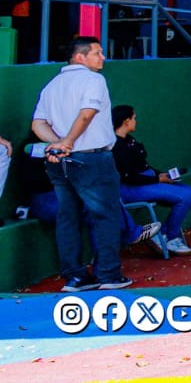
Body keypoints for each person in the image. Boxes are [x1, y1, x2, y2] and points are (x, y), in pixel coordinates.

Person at [30, 36, 131, 291]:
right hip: (91, 157)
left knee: (68, 216)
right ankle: (108, 274)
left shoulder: (52, 85)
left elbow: (38, 123)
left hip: (61, 159)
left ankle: (75, 277)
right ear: (80, 57)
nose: (103, 57)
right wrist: (67, 141)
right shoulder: (94, 80)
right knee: (105, 214)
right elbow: (87, 114)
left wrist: (58, 144)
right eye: (97, 53)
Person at [112, 104, 191, 258]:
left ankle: (163, 235)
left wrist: (162, 175)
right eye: (134, 118)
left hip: (147, 182)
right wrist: (157, 179)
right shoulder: (115, 144)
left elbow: (144, 166)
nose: (135, 121)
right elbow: (127, 176)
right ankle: (170, 237)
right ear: (126, 121)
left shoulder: (130, 140)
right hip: (130, 188)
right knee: (185, 195)